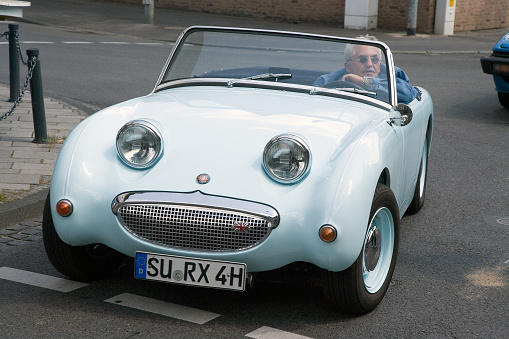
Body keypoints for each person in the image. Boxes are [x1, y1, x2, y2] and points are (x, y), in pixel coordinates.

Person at [313, 35, 420, 104]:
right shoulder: (329, 80)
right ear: (348, 66)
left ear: (379, 64)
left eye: (374, 59)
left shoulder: (392, 78)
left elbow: (408, 94)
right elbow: (311, 100)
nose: (369, 64)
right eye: (362, 59)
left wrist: (365, 82)